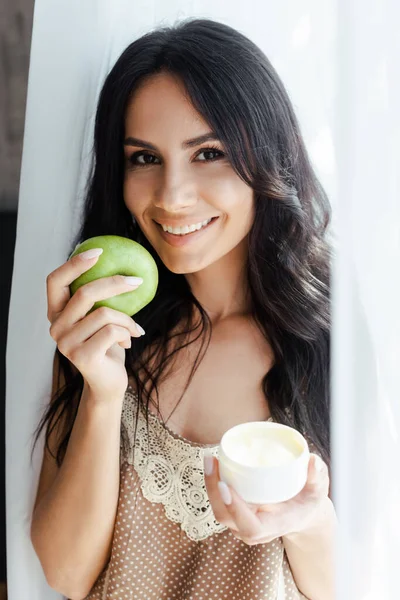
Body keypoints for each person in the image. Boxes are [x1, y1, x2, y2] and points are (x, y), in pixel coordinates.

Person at [30, 17, 336, 600]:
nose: (171, 196)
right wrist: (102, 392)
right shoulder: (100, 328)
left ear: (268, 157)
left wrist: (307, 519)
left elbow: (359, 581)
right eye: (144, 158)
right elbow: (68, 577)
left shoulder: (326, 335)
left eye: (209, 152)